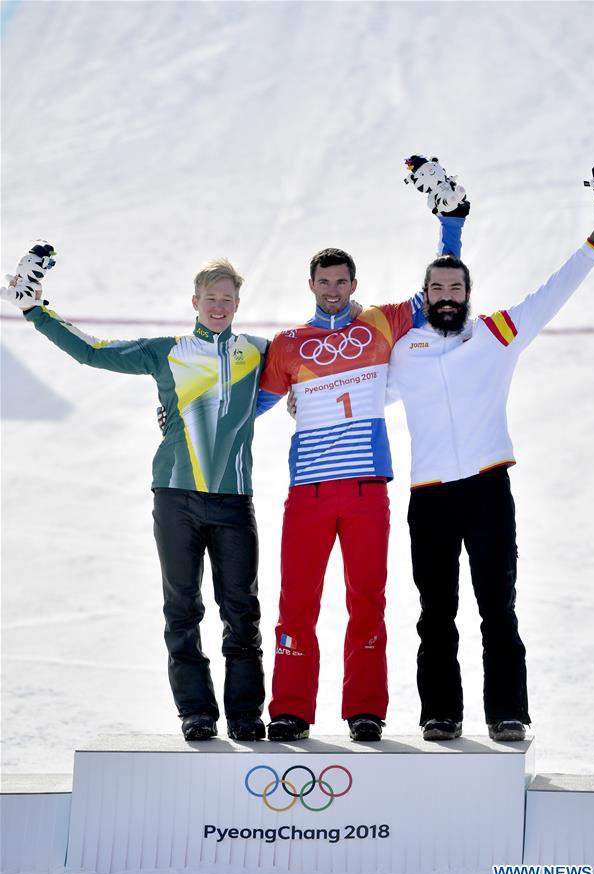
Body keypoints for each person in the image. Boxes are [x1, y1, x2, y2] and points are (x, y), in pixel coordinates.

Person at [387, 166, 594, 742]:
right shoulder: (405, 353)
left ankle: (507, 712)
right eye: (437, 290)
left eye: (455, 289)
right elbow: (359, 391)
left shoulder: (498, 333)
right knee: (435, 615)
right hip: (428, 497)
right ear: (424, 298)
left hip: (486, 490)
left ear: (467, 295)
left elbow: (553, 291)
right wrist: (305, 403)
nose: (446, 297)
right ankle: (440, 713)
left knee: (497, 606)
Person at [2, 253, 269, 742]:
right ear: (195, 301)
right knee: (182, 609)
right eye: (210, 298)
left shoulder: (257, 351)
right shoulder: (166, 351)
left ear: (237, 304)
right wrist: (36, 311)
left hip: (233, 500)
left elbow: (303, 371)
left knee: (242, 612)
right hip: (175, 497)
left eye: (227, 299)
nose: (218, 306)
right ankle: (197, 712)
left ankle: (247, 714)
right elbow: (95, 351)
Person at [256, 156, 470, 742]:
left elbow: (441, 287)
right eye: (323, 282)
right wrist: (186, 418)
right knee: (296, 602)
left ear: (354, 283)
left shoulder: (378, 321)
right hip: (309, 492)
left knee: (367, 603)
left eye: (341, 281)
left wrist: (451, 223)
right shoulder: (288, 344)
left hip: (366, 490)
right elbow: (250, 411)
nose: (332, 290)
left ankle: (365, 709)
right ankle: (291, 709)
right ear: (311, 285)